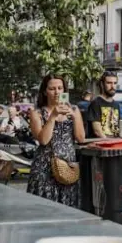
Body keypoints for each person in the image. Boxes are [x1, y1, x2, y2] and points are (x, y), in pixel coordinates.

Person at [27, 74, 85, 207]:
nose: (57, 92)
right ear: (45, 92)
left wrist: (75, 118)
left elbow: (81, 138)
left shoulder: (74, 110)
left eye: (60, 88)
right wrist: (53, 117)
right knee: (45, 209)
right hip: (44, 170)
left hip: (67, 169)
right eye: (52, 89)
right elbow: (43, 140)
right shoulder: (37, 113)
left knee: (69, 208)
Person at [86, 71, 121, 138]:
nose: (112, 86)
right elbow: (97, 131)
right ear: (102, 84)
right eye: (109, 83)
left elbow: (117, 127)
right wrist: (109, 143)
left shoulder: (116, 104)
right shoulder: (96, 103)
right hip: (101, 145)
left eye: (115, 83)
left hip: (115, 145)